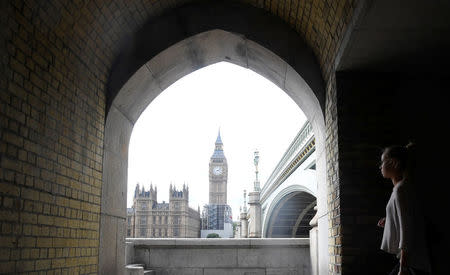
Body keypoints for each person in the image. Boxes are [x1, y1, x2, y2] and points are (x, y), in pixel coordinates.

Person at [377, 143, 431, 275]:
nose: (380, 166)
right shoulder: (400, 188)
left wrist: (403, 267)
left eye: (383, 162)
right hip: (412, 261)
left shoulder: (401, 189)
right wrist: (389, 220)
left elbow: (407, 230)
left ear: (394, 163)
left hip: (412, 263)